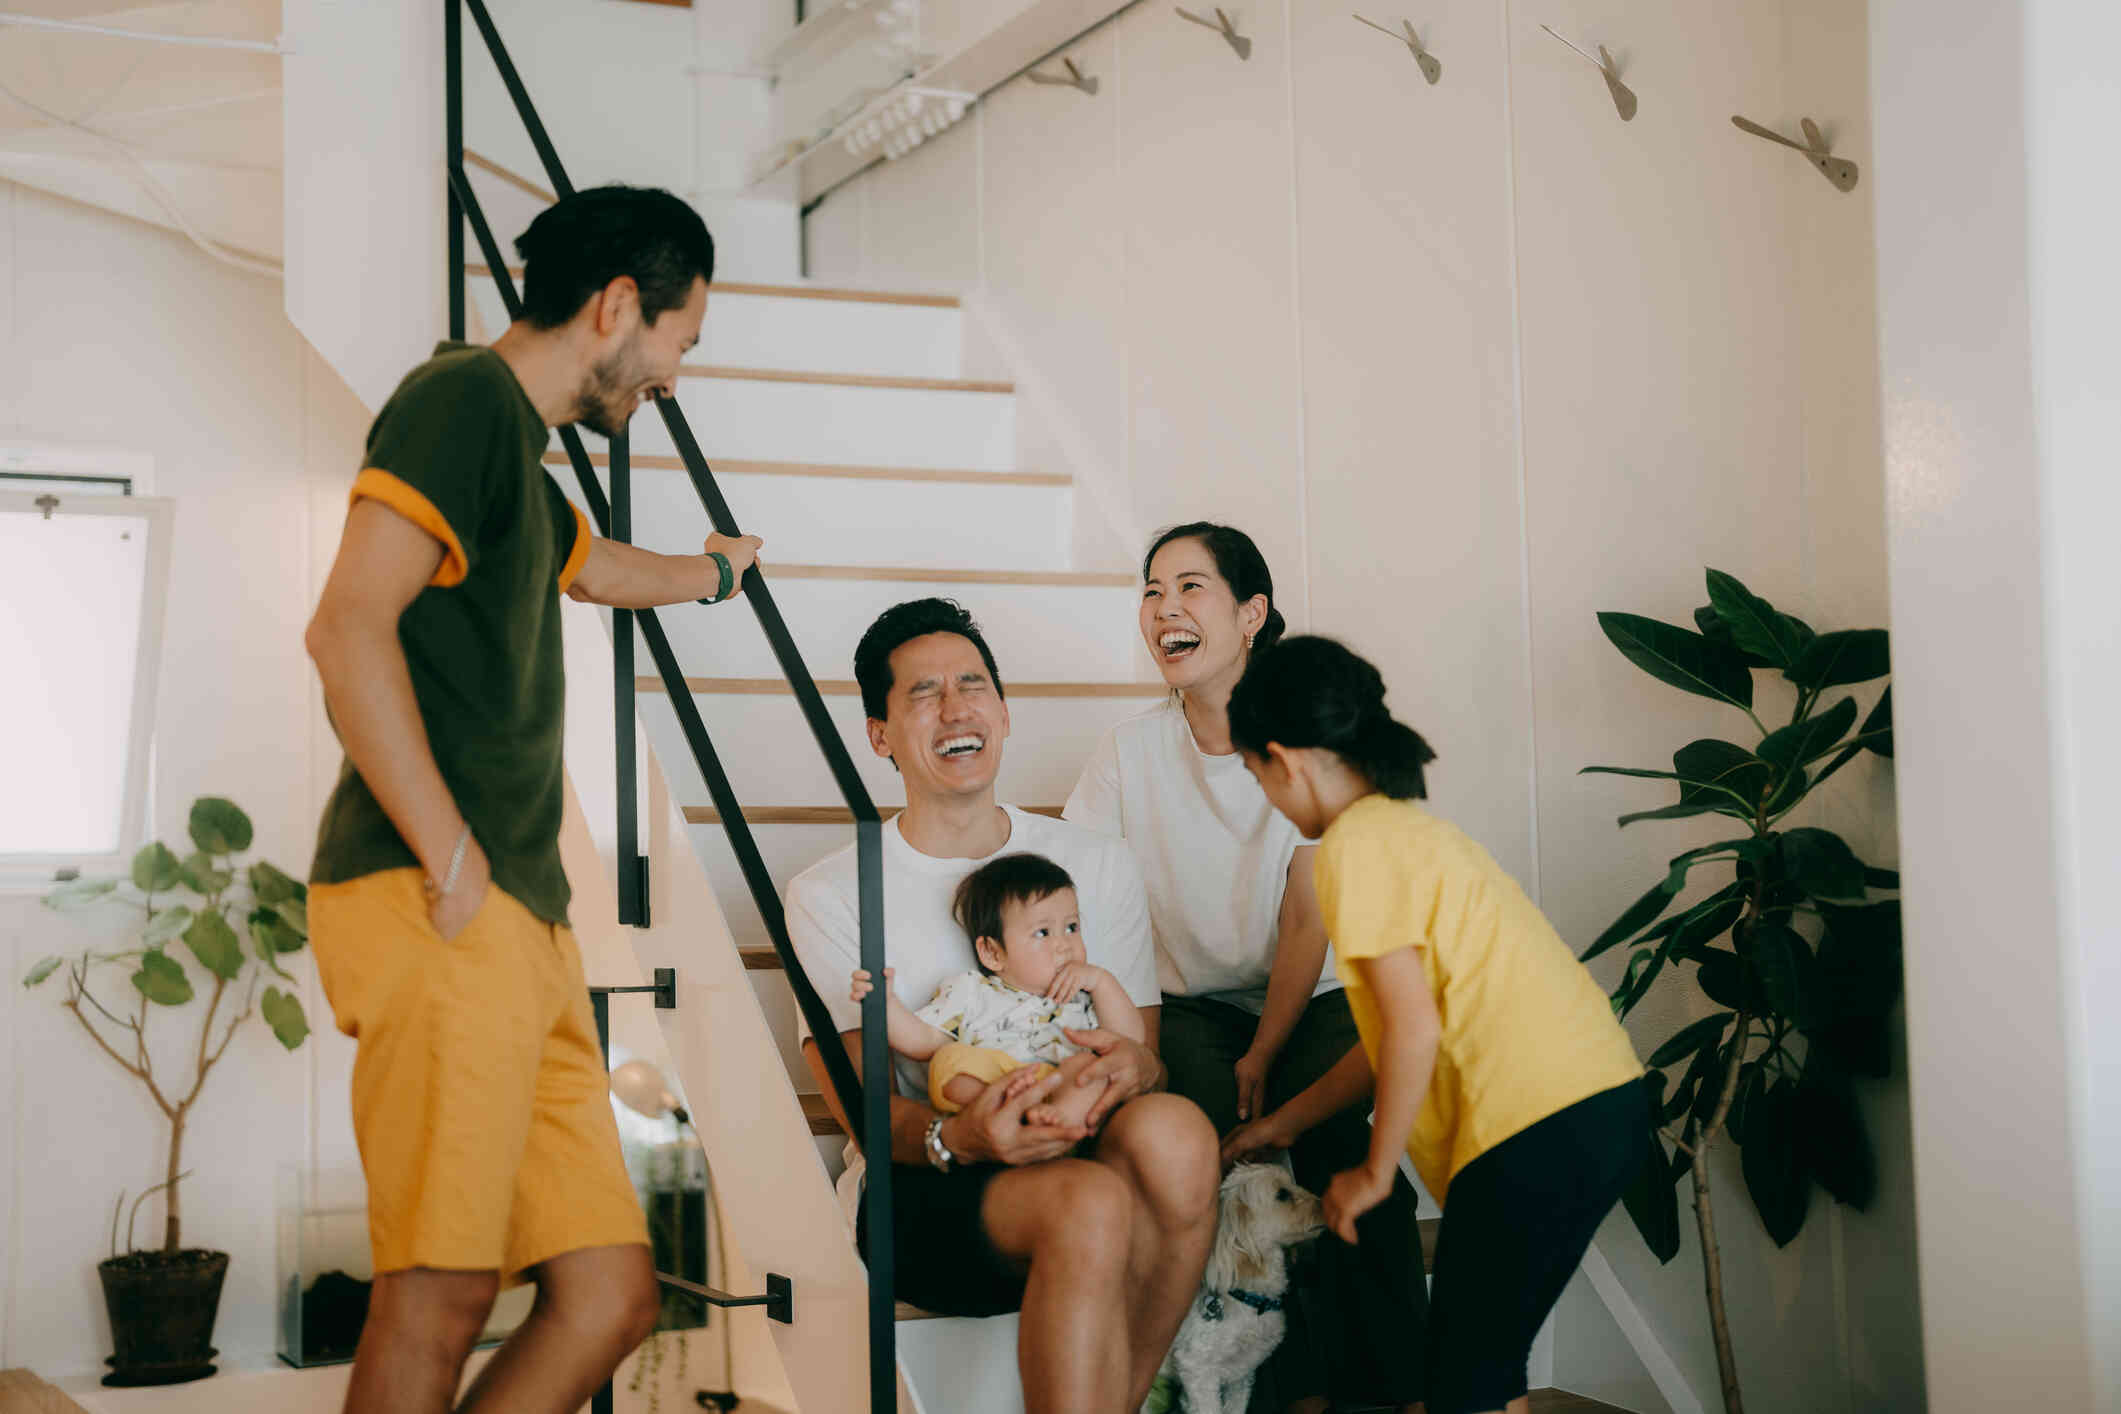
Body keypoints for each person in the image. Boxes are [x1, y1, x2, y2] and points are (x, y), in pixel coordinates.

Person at [303, 186, 764, 1414]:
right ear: (620, 304)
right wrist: (454, 862)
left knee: (609, 1292)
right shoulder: (460, 401)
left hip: (527, 923)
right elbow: (348, 630)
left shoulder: (513, 446)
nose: (676, 372)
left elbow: (592, 564)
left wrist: (714, 577)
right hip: (438, 896)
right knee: (440, 1294)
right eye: (682, 339)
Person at [785, 597, 1219, 1414]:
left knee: (1180, 1132)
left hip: (1075, 1131)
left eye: (972, 684)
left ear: (1004, 713)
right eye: (922, 693)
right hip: (926, 1179)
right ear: (879, 735)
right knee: (1090, 1201)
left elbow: (1140, 1061)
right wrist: (964, 1134)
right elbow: (863, 1109)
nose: (955, 708)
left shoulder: (1096, 861)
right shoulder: (830, 893)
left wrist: (1134, 1065)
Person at [1226, 634, 1649, 1414]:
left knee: (1465, 1379)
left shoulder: (1349, 852)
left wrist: (1374, 1173)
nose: (1266, 795)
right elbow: (1389, 1037)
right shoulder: (1408, 832)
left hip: (1533, 1123)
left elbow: (1412, 1030)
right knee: (1479, 1371)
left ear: (1284, 760)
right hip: (1598, 1106)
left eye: (1255, 775)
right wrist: (1285, 1123)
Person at [1065, 522, 1426, 1414]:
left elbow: (1308, 907)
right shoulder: (1126, 751)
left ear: (1251, 614)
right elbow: (1086, 885)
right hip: (1183, 1005)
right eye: (1152, 591)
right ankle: (1279, 1394)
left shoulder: (1300, 736)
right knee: (1209, 1154)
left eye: (1190, 588)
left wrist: (1266, 1048)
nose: (1164, 609)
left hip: (1311, 997)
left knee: (1334, 1143)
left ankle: (1403, 1393)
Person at [850, 852, 1147, 1130]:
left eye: (1072, 927)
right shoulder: (971, 990)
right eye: (1043, 932)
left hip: (1062, 1083)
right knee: (947, 1060)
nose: (1063, 944)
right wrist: (884, 1004)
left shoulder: (1084, 995)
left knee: (1090, 1067)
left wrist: (1101, 981)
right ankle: (1001, 1114)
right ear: (993, 953)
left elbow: (1131, 1040)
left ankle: (1057, 1125)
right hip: (996, 1082)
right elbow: (923, 1041)